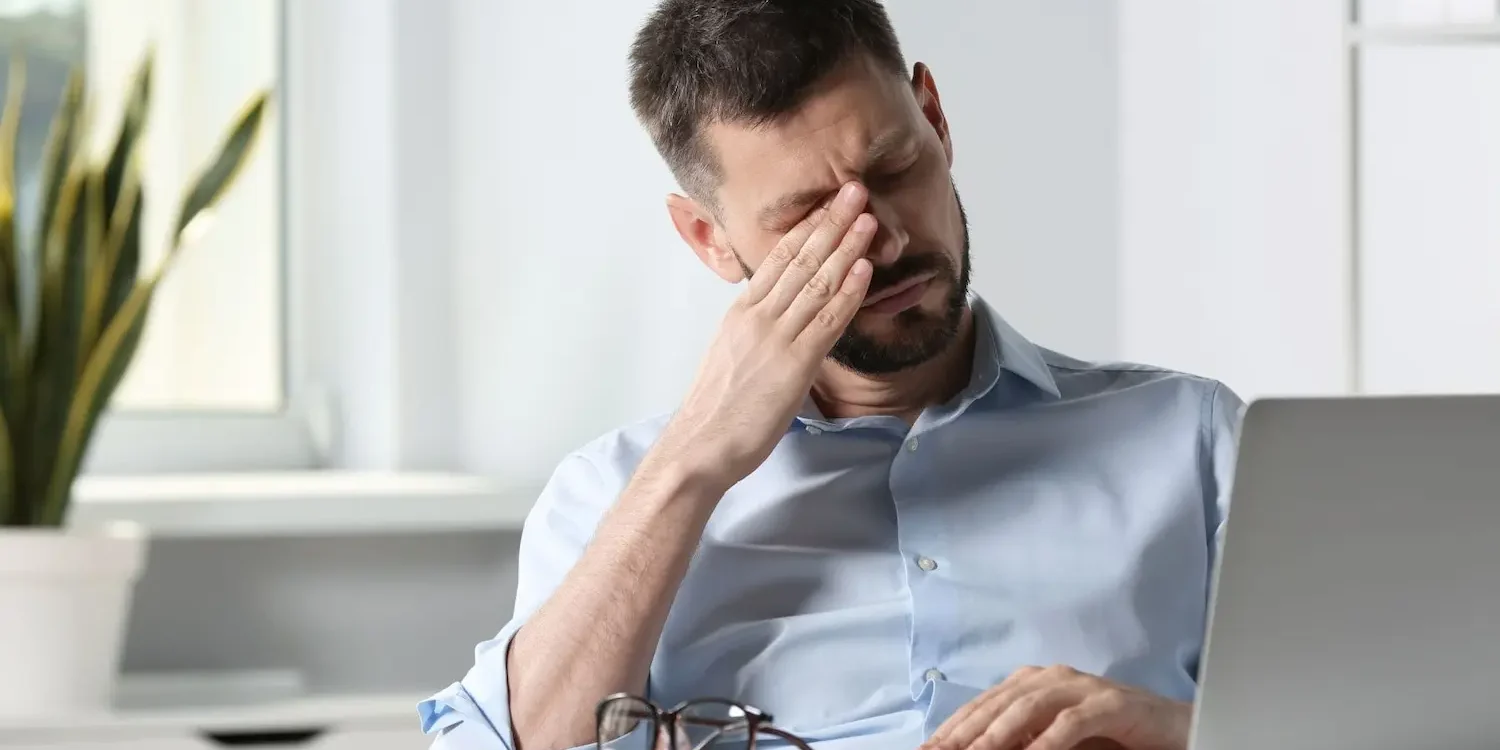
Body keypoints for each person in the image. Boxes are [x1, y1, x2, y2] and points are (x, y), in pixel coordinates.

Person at [420, 1, 1244, 749]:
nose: (880, 240)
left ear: (934, 118)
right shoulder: (612, 493)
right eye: (809, 217)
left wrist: (1184, 730)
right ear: (710, 239)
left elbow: (1361, 715)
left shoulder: (1190, 439)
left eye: (893, 171)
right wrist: (695, 461)